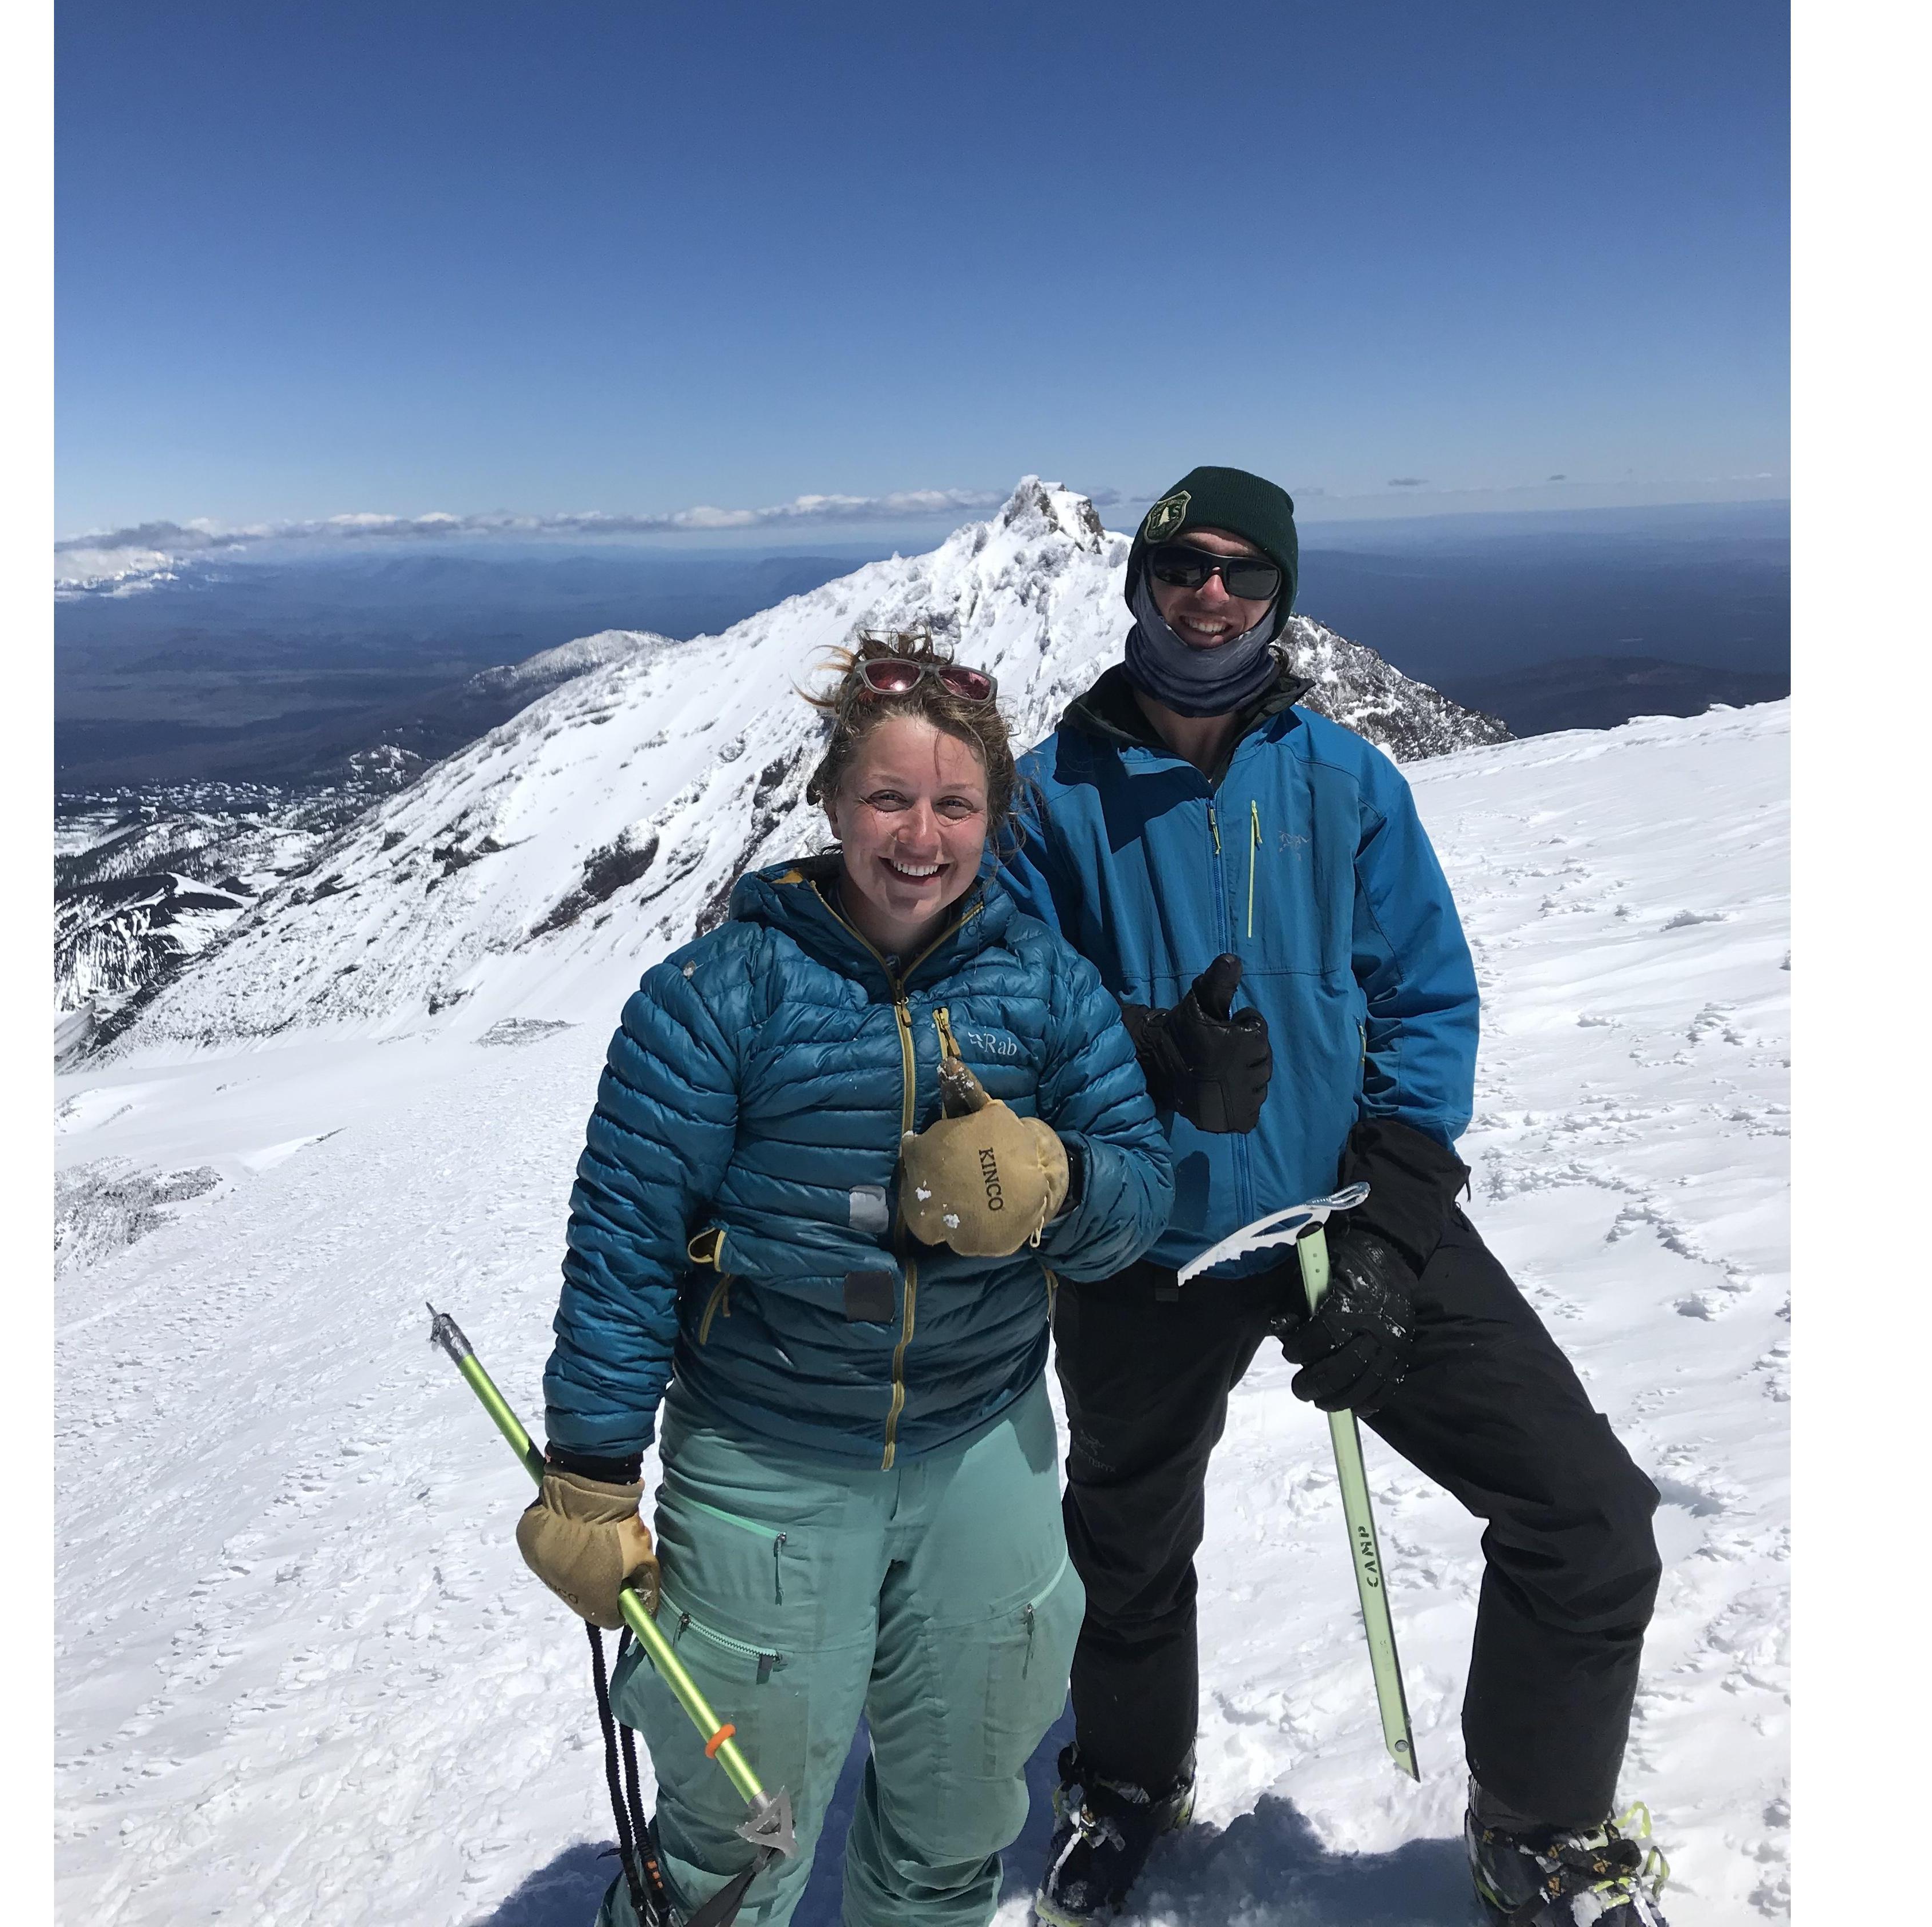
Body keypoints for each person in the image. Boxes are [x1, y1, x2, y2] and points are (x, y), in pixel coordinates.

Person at [1003, 467, 1671, 1927]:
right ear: (1139, 581)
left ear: (1281, 596)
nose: (1213, 594)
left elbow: (1425, 1000)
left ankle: (1541, 1827)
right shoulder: (1049, 797)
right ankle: (1127, 1781)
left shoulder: (1347, 782)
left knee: (1586, 1516)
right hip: (1140, 1240)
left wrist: (1389, 1217)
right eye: (1183, 565)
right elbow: (1006, 1019)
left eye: (1246, 571)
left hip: (1339, 1216)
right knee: (1126, 1545)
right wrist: (1143, 1052)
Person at [522, 633, 1175, 1927]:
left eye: (955, 805)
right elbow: (626, 1238)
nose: (921, 838)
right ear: (830, 800)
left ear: (995, 817)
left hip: (983, 1443)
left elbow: (1139, 1196)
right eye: (889, 798)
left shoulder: (1047, 988)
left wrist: (1056, 1180)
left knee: (958, 1816)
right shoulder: (716, 998)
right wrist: (592, 1473)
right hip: (770, 1459)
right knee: (735, 1840)